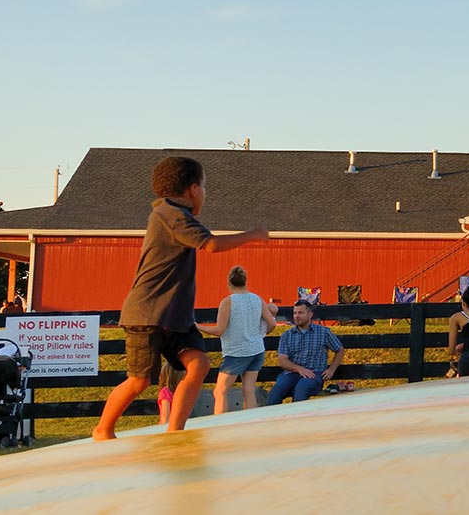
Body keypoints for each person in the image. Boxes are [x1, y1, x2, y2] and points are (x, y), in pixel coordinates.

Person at [94, 156, 269, 440]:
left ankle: (175, 431)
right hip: (148, 314)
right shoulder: (170, 215)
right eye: (204, 186)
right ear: (192, 190)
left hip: (175, 316)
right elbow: (210, 244)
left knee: (199, 365)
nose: (205, 193)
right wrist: (253, 234)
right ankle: (103, 429)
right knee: (139, 380)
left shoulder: (175, 215)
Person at [196, 265, 276, 414]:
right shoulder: (257, 299)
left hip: (236, 352)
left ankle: (221, 425)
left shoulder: (227, 302)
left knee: (220, 392)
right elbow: (272, 323)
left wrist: (198, 326)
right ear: (245, 281)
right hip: (256, 350)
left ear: (229, 282)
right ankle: (249, 423)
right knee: (248, 390)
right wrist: (260, 335)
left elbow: (219, 330)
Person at [266, 300, 345, 405]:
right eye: (295, 313)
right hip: (291, 373)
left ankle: (297, 419)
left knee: (301, 390)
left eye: (300, 313)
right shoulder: (287, 335)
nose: (297, 316)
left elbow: (339, 350)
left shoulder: (323, 332)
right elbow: (282, 360)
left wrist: (331, 369)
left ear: (310, 314)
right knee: (277, 390)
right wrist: (300, 369)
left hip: (314, 374)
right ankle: (269, 419)